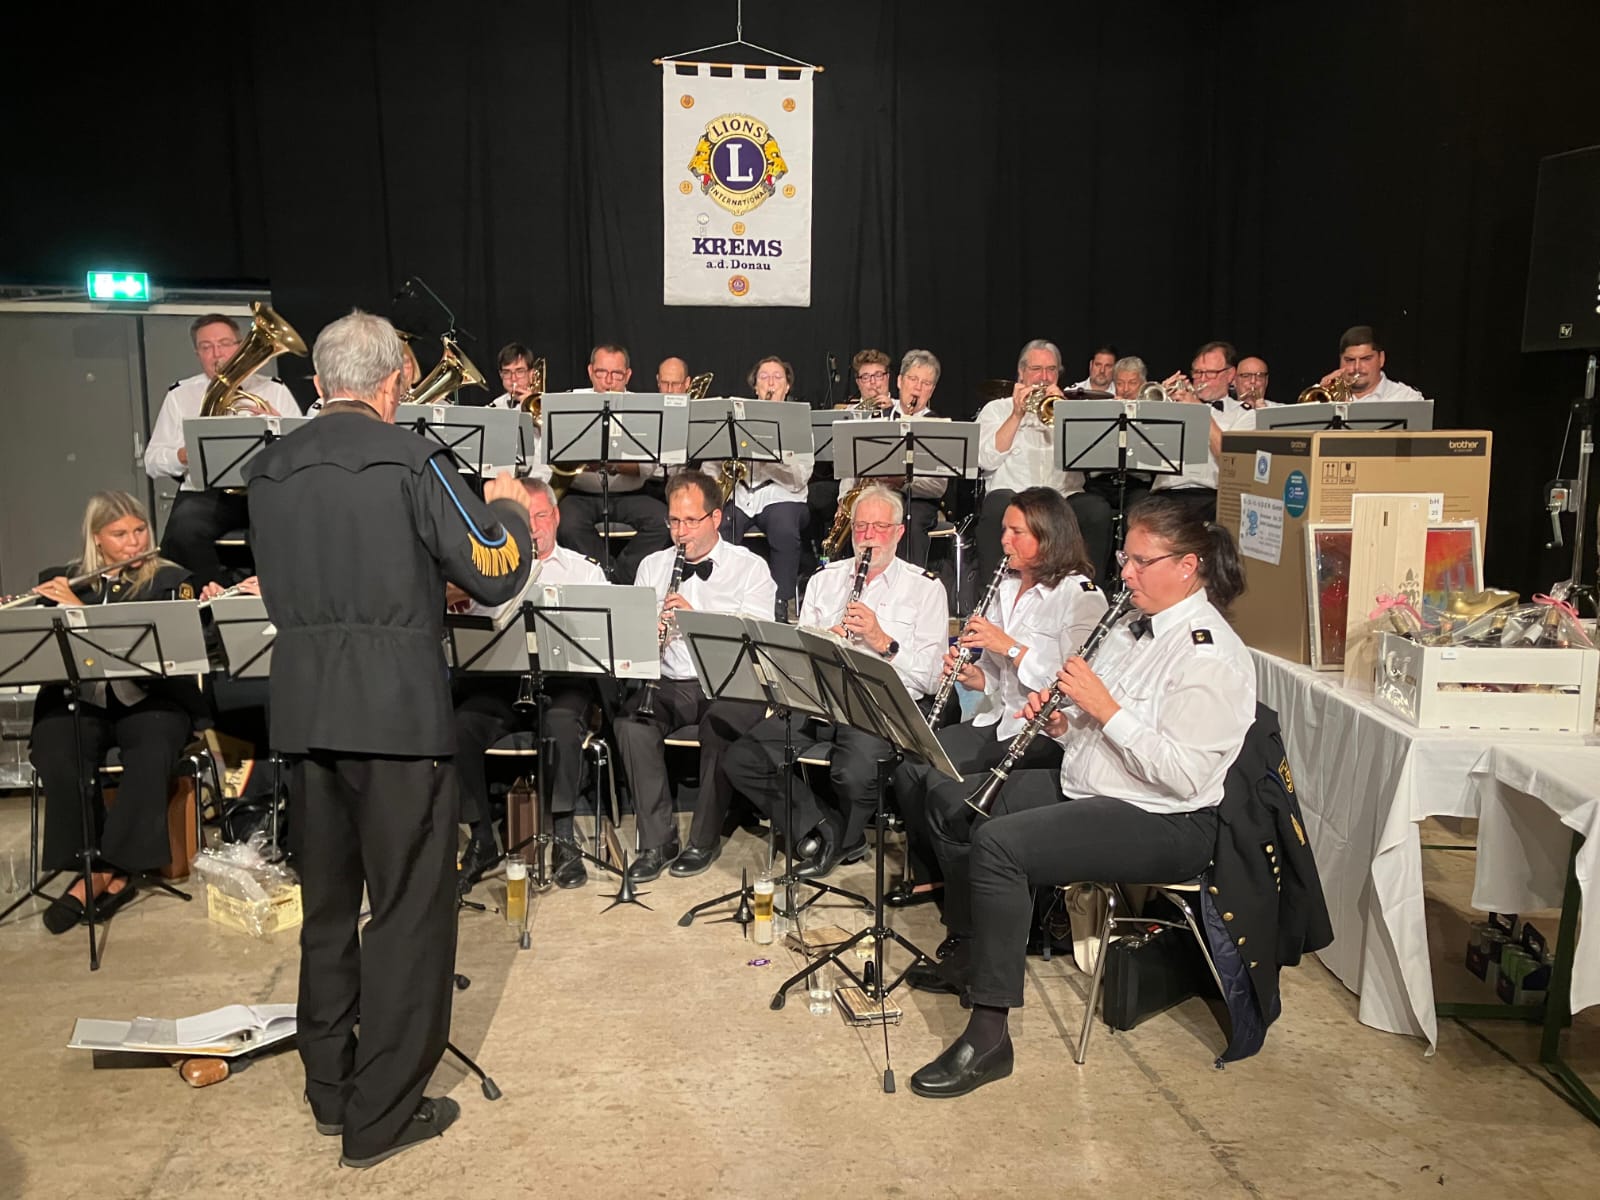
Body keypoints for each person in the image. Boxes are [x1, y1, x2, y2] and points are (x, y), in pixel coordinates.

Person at [245, 309, 534, 1168]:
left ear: (318, 383)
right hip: (396, 718)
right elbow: (493, 570)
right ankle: (382, 1114)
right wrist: (509, 508)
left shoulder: (270, 466)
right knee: (408, 912)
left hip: (305, 712)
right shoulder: (412, 458)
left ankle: (331, 1090)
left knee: (328, 911)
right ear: (393, 384)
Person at [907, 495, 1254, 1098]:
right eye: (1125, 559)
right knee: (954, 806)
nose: (1126, 574)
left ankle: (989, 1035)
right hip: (1095, 783)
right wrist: (1064, 723)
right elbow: (1094, 733)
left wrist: (1104, 709)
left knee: (1000, 847)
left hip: (1164, 818)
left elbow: (1183, 775)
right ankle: (974, 950)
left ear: (1187, 566)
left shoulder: (1213, 656)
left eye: (1142, 562)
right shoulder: (1131, 626)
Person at [892, 489, 1105, 915]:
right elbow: (993, 676)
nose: (1004, 540)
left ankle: (970, 905)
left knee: (946, 790)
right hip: (997, 717)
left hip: (1045, 731)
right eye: (1004, 530)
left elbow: (1072, 686)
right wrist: (972, 676)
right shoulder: (1004, 587)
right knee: (912, 765)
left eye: (1016, 532)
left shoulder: (1082, 597)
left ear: (1049, 536)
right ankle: (936, 873)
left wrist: (1011, 647)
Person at [724, 486, 946, 878]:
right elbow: (797, 657)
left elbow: (929, 679)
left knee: (853, 773)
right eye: (861, 527)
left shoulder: (926, 588)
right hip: (821, 697)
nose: (869, 537)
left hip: (877, 705)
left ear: (899, 532)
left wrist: (881, 640)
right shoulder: (824, 580)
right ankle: (826, 828)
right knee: (743, 758)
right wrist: (823, 643)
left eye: (880, 527)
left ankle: (839, 838)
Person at [28, 492, 197, 935]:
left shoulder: (170, 580)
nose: (134, 542)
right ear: (97, 539)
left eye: (139, 530)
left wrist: (79, 612)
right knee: (57, 748)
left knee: (152, 747)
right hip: (80, 698)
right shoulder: (62, 580)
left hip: (150, 698)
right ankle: (92, 864)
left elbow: (175, 650)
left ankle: (105, 873)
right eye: (119, 534)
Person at [611, 471, 776, 883]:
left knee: (720, 725)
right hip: (670, 680)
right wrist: (648, 635)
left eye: (690, 521)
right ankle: (657, 842)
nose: (680, 531)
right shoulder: (653, 566)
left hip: (729, 681)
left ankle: (703, 840)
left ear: (716, 518)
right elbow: (633, 642)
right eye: (673, 521)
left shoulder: (750, 568)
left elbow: (758, 640)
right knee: (631, 724)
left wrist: (696, 619)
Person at [451, 480, 606, 889]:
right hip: (502, 683)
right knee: (460, 728)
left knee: (561, 724)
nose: (534, 528)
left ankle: (564, 837)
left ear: (556, 517)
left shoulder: (585, 571)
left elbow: (603, 641)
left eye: (541, 516)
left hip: (563, 681)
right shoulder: (488, 572)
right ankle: (482, 838)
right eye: (525, 519)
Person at [145, 313, 301, 588]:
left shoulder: (274, 390)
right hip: (206, 494)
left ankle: (272, 597)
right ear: (197, 354)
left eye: (225, 344)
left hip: (262, 488)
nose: (217, 353)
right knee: (183, 531)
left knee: (285, 528)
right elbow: (152, 461)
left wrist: (278, 425)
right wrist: (182, 455)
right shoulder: (180, 395)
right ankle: (214, 597)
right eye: (206, 347)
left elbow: (302, 448)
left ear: (240, 346)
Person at [976, 340, 1113, 583]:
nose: (1044, 377)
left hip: (1063, 497)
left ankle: (1089, 594)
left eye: (1051, 370)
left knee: (1097, 511)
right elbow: (985, 460)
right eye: (1036, 369)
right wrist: (1016, 415)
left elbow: (1088, 459)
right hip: (1014, 496)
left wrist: (1064, 416)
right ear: (1021, 372)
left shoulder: (1070, 409)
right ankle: (991, 596)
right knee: (996, 505)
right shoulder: (996, 409)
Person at [552, 344, 672, 583]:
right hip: (581, 495)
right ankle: (606, 576)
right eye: (601, 372)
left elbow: (647, 468)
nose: (608, 381)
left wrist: (611, 465)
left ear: (628, 375)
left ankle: (617, 578)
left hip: (631, 495)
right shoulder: (569, 402)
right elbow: (556, 457)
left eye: (616, 374)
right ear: (590, 371)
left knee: (664, 522)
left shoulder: (643, 407)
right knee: (566, 524)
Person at [714, 356, 813, 618]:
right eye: (764, 377)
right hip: (739, 493)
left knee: (784, 528)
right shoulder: (733, 419)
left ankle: (781, 603)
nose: (771, 383)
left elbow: (800, 477)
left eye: (777, 377)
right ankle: (722, 598)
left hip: (782, 495)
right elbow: (711, 464)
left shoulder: (798, 422)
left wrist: (769, 457)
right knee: (721, 526)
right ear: (755, 387)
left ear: (787, 387)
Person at [835, 349, 948, 566]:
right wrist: (844, 500)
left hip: (915, 500)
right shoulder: (877, 416)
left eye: (926, 383)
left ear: (932, 390)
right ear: (899, 381)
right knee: (862, 515)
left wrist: (902, 482)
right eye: (913, 379)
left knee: (910, 521)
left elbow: (938, 486)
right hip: (876, 493)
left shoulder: (936, 425)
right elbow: (852, 465)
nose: (917, 388)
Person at [1153, 340, 1257, 521]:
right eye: (1198, 372)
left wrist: (1199, 411)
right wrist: (1159, 405)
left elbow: (1230, 460)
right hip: (1166, 493)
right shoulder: (1174, 405)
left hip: (1210, 497)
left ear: (1230, 374)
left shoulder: (1244, 414)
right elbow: (1142, 447)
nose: (1202, 379)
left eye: (1210, 373)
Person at [1318, 325, 1426, 402]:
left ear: (1381, 359)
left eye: (1366, 359)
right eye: (1350, 360)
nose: (1357, 367)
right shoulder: (1321, 395)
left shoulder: (1406, 398)